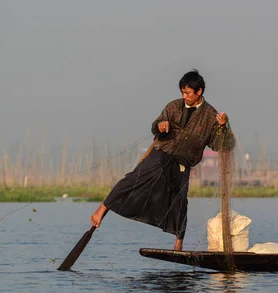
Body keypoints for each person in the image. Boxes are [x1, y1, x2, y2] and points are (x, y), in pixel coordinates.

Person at [90, 69, 235, 250]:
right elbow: (155, 125)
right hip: (162, 153)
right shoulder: (173, 106)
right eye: (182, 92)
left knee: (179, 201)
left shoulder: (211, 116)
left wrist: (223, 127)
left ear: (199, 92)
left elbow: (221, 145)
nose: (185, 96)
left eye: (188, 93)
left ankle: (178, 242)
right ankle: (102, 209)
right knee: (135, 178)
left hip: (183, 162)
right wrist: (161, 125)